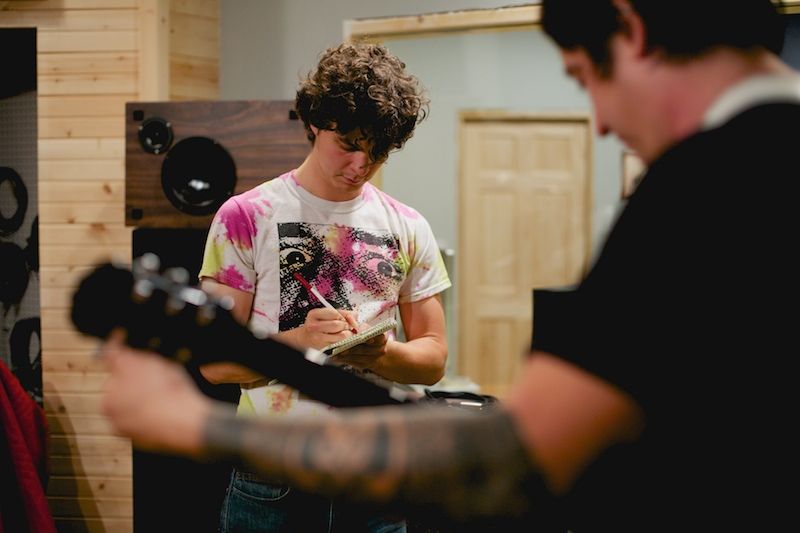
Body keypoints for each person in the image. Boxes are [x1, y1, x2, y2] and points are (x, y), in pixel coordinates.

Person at [99, 1, 798, 530]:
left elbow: (515, 460)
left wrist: (191, 424)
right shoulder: (747, 170)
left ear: (631, 27)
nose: (604, 125)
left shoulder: (708, 184)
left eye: (585, 78)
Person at [194, 41, 450, 532]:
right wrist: (299, 343)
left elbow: (434, 359)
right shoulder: (245, 216)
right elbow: (214, 363)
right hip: (273, 473)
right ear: (315, 123)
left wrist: (379, 355)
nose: (360, 165)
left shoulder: (409, 226)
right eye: (349, 144)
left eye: (377, 152)